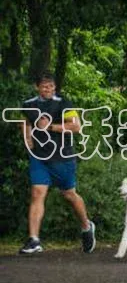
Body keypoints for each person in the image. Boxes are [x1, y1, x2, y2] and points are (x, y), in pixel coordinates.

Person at [18, 72, 96, 255]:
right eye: (45, 86)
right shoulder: (29, 104)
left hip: (62, 156)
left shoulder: (64, 102)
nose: (48, 89)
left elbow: (76, 126)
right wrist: (28, 137)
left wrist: (51, 126)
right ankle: (34, 240)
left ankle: (86, 226)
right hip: (39, 156)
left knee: (69, 194)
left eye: (51, 86)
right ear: (37, 87)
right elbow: (26, 122)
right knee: (37, 192)